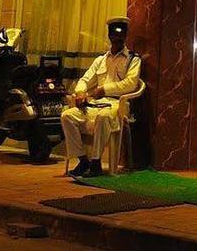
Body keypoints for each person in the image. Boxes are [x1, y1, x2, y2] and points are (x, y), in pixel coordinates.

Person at [60, 17, 144, 177]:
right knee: (67, 116)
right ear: (109, 36)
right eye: (114, 35)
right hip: (95, 104)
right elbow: (85, 79)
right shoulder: (100, 60)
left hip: (116, 105)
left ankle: (96, 162)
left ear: (126, 36)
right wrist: (80, 93)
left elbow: (131, 84)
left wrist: (105, 89)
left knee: (103, 117)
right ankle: (83, 160)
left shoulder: (133, 59)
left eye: (121, 35)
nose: (117, 38)